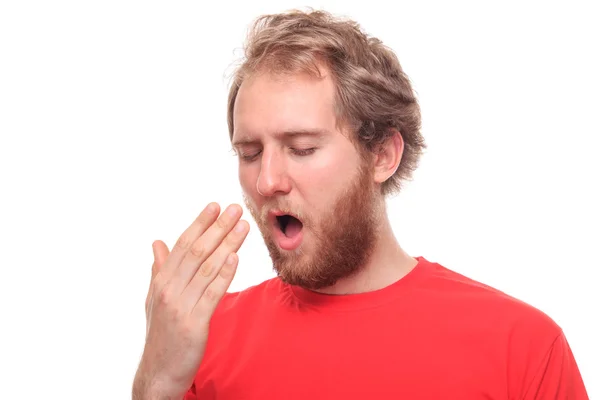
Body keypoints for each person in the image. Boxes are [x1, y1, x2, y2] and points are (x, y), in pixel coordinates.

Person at [132, 9, 589, 400]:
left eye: (303, 148)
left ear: (383, 155)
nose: (267, 180)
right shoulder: (200, 341)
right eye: (250, 153)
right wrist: (157, 384)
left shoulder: (522, 347)